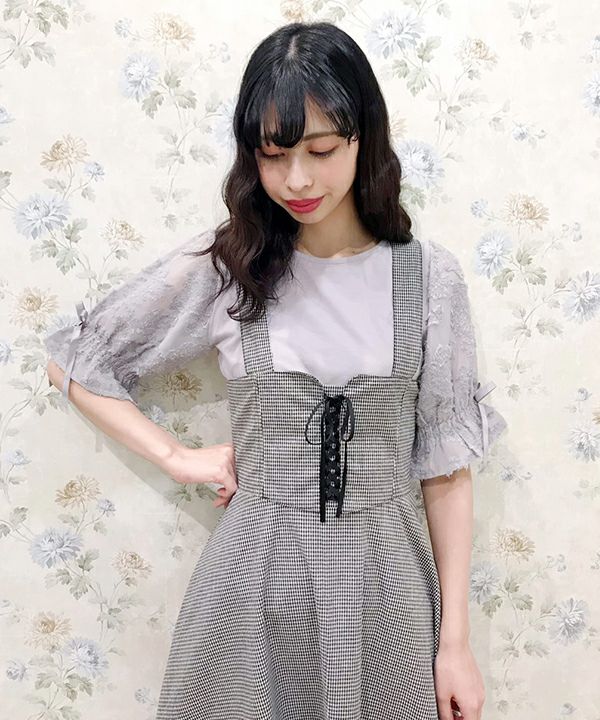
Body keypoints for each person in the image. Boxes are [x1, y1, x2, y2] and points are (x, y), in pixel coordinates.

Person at [44, 20, 508, 720]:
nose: (297, 179)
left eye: (320, 150)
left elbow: (445, 469)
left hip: (389, 595)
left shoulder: (427, 278)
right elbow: (77, 360)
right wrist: (178, 457)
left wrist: (456, 644)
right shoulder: (230, 266)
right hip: (251, 594)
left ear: (363, 138)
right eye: (272, 154)